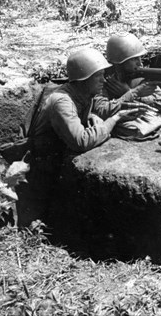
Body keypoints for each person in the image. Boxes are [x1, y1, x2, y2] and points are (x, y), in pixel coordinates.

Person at [17, 48, 140, 228]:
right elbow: (81, 141)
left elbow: (88, 115)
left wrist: (95, 118)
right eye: (98, 76)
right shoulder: (62, 101)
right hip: (41, 168)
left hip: (57, 159)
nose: (103, 80)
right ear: (84, 78)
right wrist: (113, 120)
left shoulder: (83, 94)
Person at [93, 33, 161, 119]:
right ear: (120, 62)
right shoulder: (105, 79)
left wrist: (130, 93)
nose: (140, 63)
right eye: (134, 59)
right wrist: (132, 94)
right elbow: (101, 110)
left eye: (140, 58)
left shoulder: (137, 75)